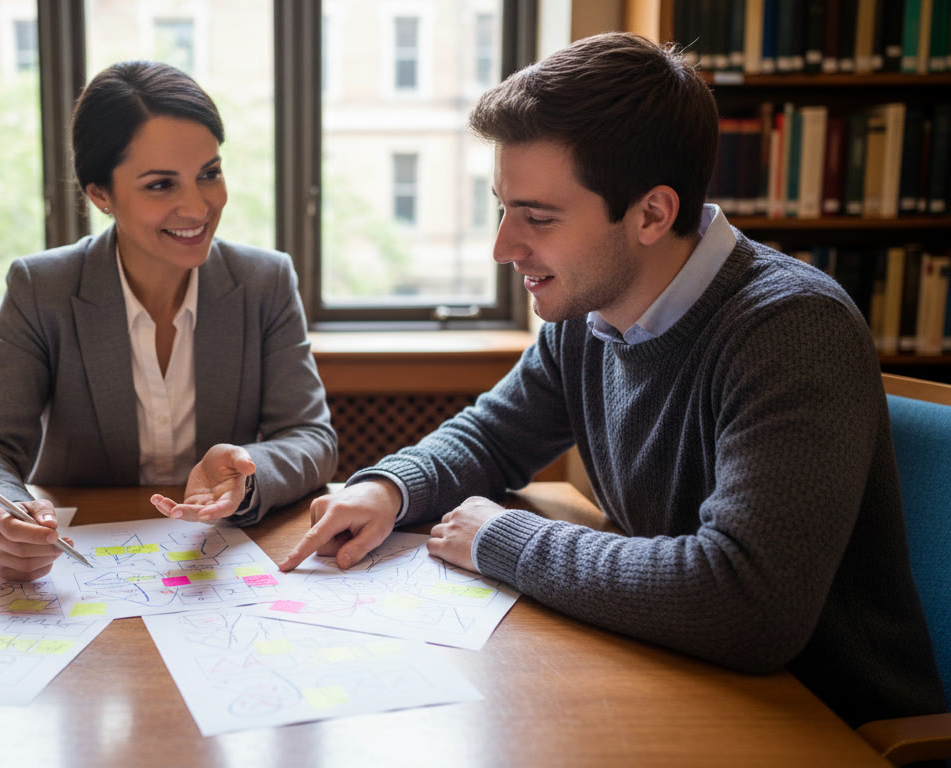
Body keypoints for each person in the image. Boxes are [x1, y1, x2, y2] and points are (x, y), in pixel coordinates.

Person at [279, 32, 943, 728]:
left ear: (652, 214)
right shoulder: (587, 310)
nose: (503, 246)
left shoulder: (792, 331)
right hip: (680, 680)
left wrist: (501, 538)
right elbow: (492, 437)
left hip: (823, 724)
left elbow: (746, 604)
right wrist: (389, 488)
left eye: (537, 217)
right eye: (502, 207)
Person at [0, 61, 336, 582]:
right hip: (81, 567)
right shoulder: (43, 288)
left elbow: (310, 435)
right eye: (160, 185)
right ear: (100, 194)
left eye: (209, 174)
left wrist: (247, 471)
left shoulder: (265, 281)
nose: (197, 206)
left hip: (216, 564)